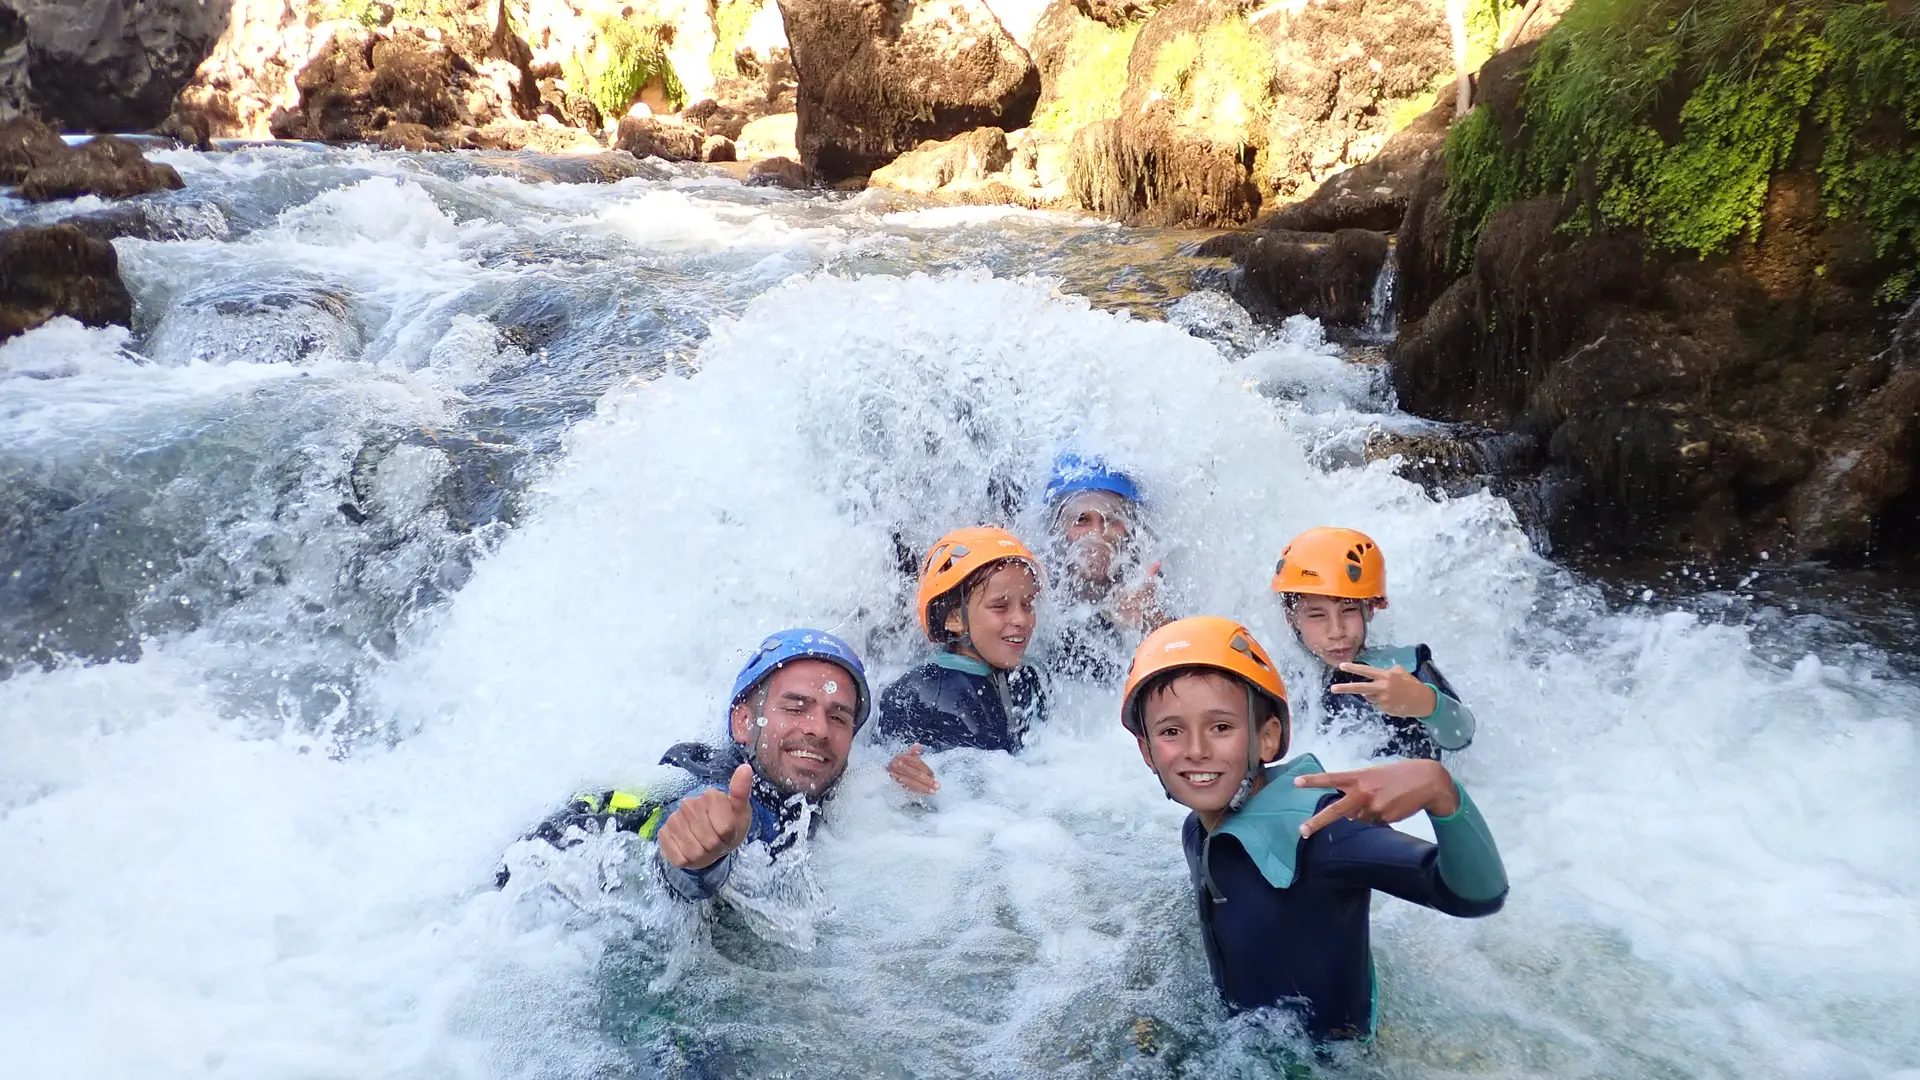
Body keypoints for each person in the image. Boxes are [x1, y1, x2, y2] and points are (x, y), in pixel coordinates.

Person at [1121, 616, 1508, 1042]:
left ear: (1267, 738)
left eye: (1221, 727)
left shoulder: (1321, 831)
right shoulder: (1197, 829)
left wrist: (1442, 793)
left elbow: (1476, 897)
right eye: (1172, 731)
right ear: (1147, 750)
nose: (1196, 751)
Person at [498, 628, 871, 905]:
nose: (819, 729)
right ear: (742, 723)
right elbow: (688, 839)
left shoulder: (829, 802)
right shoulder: (727, 795)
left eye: (838, 718)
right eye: (794, 707)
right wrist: (701, 857)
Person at [1271, 527, 1475, 760]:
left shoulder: (1405, 667)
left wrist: (1426, 703)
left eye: (1348, 611)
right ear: (1291, 616)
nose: (1337, 631)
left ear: (1369, 609)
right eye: (1317, 615)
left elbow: (1462, 735)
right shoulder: (1286, 681)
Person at [879, 526, 1048, 795]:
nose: (1021, 619)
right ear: (954, 618)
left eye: (1027, 604)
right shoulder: (922, 694)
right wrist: (897, 778)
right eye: (1000, 606)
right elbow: (875, 774)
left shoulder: (1029, 678)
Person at [1042, 452, 1169, 683]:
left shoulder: (1148, 584)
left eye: (1112, 521)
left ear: (1131, 529)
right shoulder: (1037, 590)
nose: (1097, 535)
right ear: (1058, 527)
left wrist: (1150, 620)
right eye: (1082, 520)